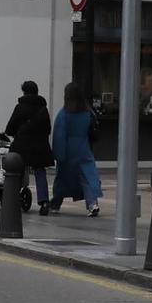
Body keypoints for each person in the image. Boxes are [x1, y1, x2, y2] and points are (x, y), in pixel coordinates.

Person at [3, 80, 55, 215]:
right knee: (40, 172)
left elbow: (10, 128)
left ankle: (13, 198)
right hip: (40, 146)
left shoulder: (20, 107)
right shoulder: (43, 109)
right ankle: (44, 202)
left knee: (16, 170)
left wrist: (15, 133)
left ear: (24, 92)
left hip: (22, 145)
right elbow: (48, 129)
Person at [50, 82, 102, 217]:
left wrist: (58, 155)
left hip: (68, 150)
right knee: (88, 177)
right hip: (84, 148)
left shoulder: (64, 114)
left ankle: (55, 204)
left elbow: (59, 136)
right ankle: (92, 203)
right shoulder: (87, 112)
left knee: (62, 179)